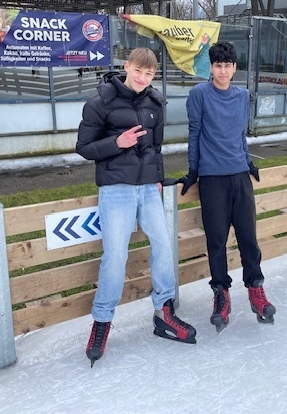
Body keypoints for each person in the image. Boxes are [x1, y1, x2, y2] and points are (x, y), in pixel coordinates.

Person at [76, 47, 196, 367]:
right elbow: (83, 147)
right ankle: (101, 323)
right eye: (138, 71)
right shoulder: (100, 102)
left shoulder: (156, 103)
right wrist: (117, 143)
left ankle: (164, 312)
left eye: (149, 74)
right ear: (126, 66)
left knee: (163, 246)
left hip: (148, 188)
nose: (143, 78)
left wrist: (156, 178)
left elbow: (156, 148)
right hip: (116, 188)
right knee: (116, 255)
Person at [179, 41, 276, 333]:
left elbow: (240, 134)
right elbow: (194, 133)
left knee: (249, 237)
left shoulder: (242, 95)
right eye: (218, 65)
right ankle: (221, 294)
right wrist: (193, 170)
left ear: (234, 68)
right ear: (211, 68)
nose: (223, 71)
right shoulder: (199, 94)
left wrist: (247, 162)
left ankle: (256, 289)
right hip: (212, 179)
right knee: (216, 241)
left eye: (228, 65)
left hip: (239, 177)